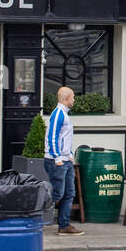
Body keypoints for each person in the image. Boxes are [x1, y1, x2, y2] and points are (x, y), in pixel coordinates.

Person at [45, 86, 84, 236]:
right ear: (67, 98)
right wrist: (57, 158)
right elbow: (52, 136)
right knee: (57, 194)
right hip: (57, 160)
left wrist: (68, 156)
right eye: (73, 97)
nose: (74, 99)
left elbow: (64, 138)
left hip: (64, 160)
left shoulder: (64, 114)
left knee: (69, 193)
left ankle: (64, 225)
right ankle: (30, 216)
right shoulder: (59, 114)